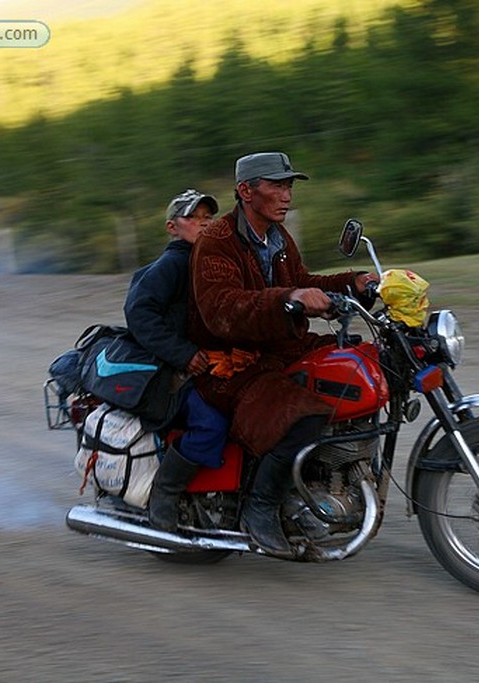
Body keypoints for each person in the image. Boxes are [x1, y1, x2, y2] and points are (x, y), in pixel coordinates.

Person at [188, 152, 379, 557]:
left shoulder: (277, 238)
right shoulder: (217, 241)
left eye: (289, 185)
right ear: (246, 191)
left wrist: (354, 283)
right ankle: (261, 508)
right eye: (276, 185)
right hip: (231, 364)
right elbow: (222, 309)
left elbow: (303, 282)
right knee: (302, 414)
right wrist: (288, 299)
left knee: (363, 359)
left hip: (279, 349)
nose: (286, 194)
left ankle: (337, 475)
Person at [124, 189, 229, 531]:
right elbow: (139, 314)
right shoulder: (172, 264)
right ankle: (164, 494)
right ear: (172, 227)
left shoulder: (210, 263)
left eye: (208, 218)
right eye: (193, 218)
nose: (203, 224)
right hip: (175, 375)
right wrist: (184, 354)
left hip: (212, 366)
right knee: (212, 425)